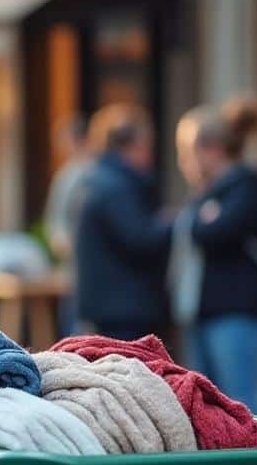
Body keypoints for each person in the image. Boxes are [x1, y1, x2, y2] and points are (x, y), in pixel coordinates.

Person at [171, 100, 257, 413]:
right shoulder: (209, 192)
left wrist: (203, 221)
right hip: (204, 312)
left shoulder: (246, 183)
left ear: (213, 150)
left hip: (236, 311)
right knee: (210, 407)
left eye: (187, 153)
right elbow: (199, 228)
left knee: (243, 404)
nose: (183, 163)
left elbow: (213, 232)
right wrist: (203, 218)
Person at [74, 104, 171, 341]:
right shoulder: (116, 187)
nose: (150, 155)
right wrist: (174, 222)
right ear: (132, 146)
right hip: (124, 311)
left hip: (109, 307)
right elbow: (141, 238)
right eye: (147, 146)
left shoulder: (98, 179)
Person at [43, 115, 93, 336]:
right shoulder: (67, 175)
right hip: (73, 266)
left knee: (79, 327)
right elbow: (55, 223)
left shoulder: (86, 174)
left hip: (83, 266)